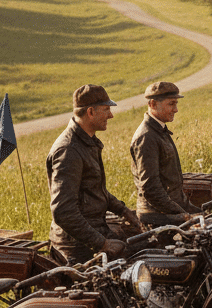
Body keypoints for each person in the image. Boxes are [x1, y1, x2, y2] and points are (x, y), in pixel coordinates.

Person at [45, 84, 141, 264]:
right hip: (76, 245)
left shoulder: (87, 142)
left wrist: (123, 210)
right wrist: (102, 244)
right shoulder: (68, 150)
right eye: (106, 110)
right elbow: (63, 212)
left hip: (93, 231)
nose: (110, 115)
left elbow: (94, 190)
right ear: (90, 112)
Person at [129, 80, 196, 228]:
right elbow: (150, 189)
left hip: (169, 211)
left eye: (176, 104)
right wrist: (182, 214)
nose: (176, 109)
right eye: (171, 104)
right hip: (157, 216)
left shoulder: (159, 131)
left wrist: (193, 210)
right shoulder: (146, 137)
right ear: (153, 104)